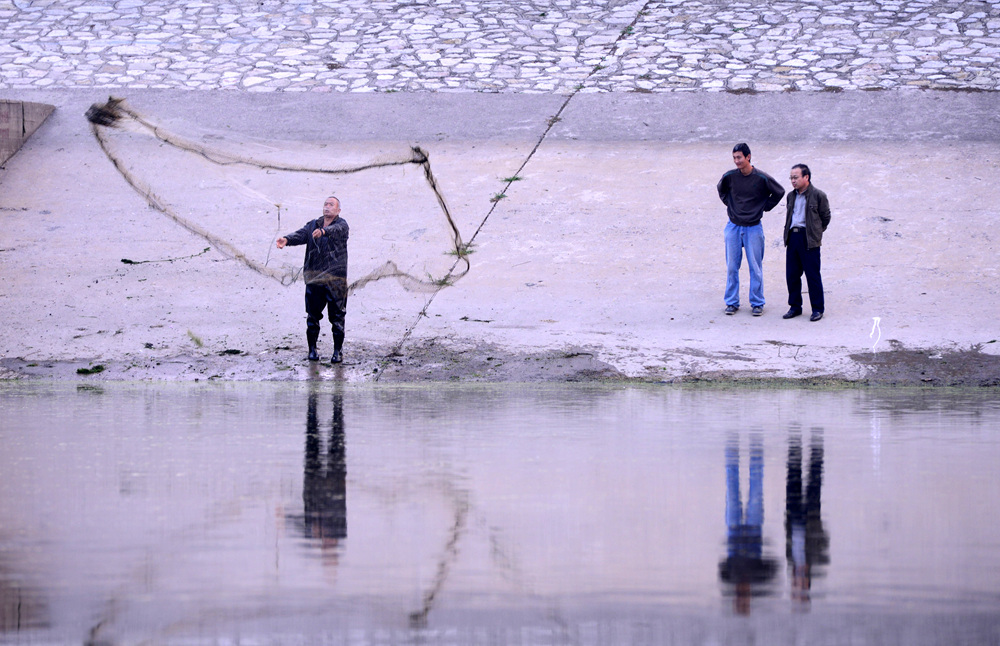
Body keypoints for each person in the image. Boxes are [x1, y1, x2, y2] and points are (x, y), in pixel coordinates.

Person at [276, 196, 349, 363]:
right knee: (312, 317)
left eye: (331, 205)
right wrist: (287, 239)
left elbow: (336, 231)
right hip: (314, 279)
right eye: (325, 204)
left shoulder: (342, 225)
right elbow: (301, 235)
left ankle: (337, 351)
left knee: (337, 317)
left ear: (338, 210)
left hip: (335, 281)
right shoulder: (313, 225)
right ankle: (312, 350)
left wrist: (324, 232)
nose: (327, 207)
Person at [716, 143, 785, 316]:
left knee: (755, 266)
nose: (736, 161)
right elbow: (721, 190)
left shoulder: (761, 177)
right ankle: (732, 302)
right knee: (732, 266)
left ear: (748, 157)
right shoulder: (730, 176)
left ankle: (757, 303)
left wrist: (764, 207)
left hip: (753, 227)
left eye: (739, 157)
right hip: (733, 227)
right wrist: (731, 205)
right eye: (734, 158)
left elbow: (779, 192)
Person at [782, 164, 831, 322]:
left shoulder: (818, 195)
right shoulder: (791, 196)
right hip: (793, 237)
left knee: (812, 275)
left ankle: (817, 309)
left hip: (809, 239)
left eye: (796, 177)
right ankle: (795, 307)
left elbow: (826, 217)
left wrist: (816, 232)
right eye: (791, 178)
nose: (793, 181)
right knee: (792, 275)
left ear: (806, 177)